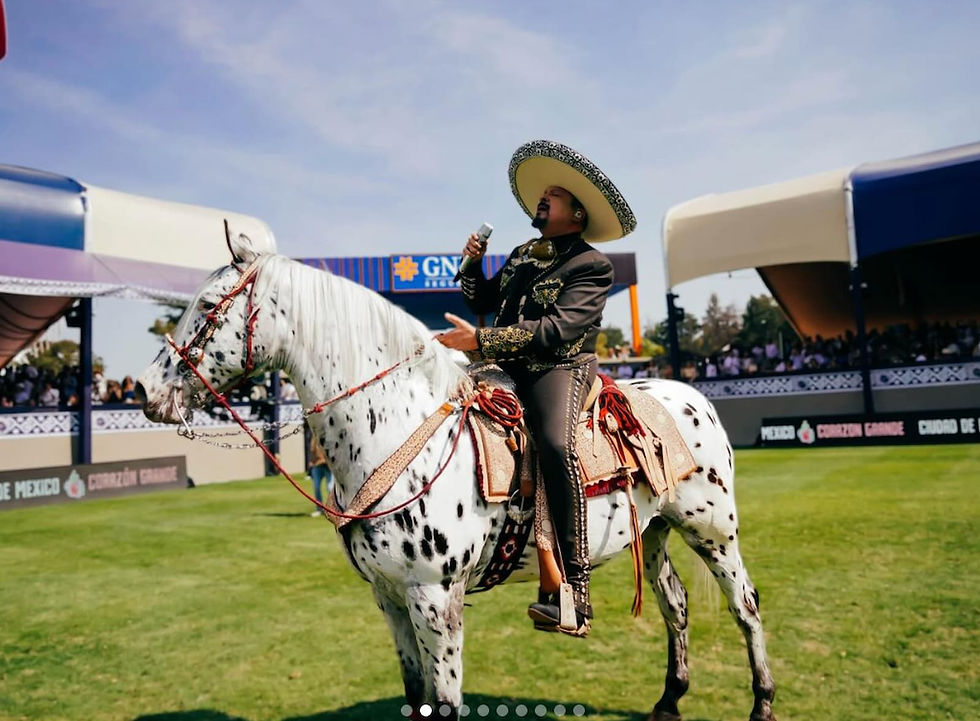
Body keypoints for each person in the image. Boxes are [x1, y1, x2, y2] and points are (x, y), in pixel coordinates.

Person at [437, 139, 636, 637]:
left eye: (553, 196)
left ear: (576, 214)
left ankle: (576, 591)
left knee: (554, 443)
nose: (541, 201)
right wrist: (469, 264)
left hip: (559, 368)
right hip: (507, 364)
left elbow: (557, 332)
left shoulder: (592, 265)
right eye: (542, 195)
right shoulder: (526, 253)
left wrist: (479, 339)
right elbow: (483, 295)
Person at [308, 432, 332, 517]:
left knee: (330, 488)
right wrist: (311, 462)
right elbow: (312, 450)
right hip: (317, 465)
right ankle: (319, 509)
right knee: (316, 487)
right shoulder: (313, 436)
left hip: (327, 465)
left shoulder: (328, 435)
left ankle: (332, 509)